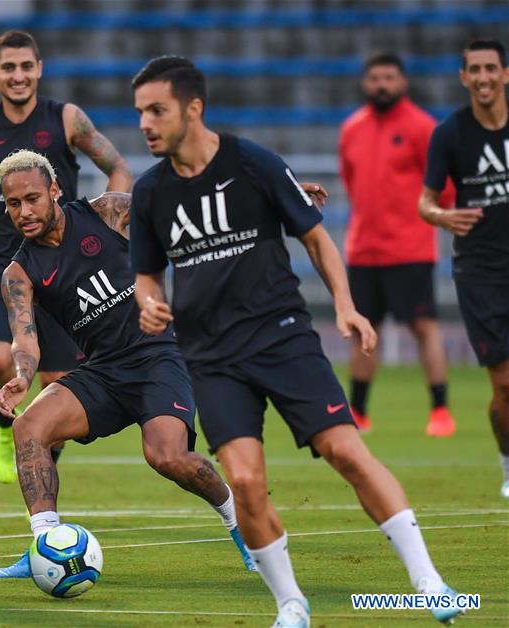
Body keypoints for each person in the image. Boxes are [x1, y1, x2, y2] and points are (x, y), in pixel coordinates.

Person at [128, 56, 461, 627]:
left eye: (157, 110)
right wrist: (149, 304)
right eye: (140, 113)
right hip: (210, 358)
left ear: (193, 108)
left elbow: (316, 239)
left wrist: (346, 305)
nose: (145, 123)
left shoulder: (253, 162)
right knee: (246, 480)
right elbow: (147, 273)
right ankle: (291, 603)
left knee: (346, 453)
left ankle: (429, 581)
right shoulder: (150, 192)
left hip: (282, 338)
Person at [0, 149, 254, 579]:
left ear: (55, 190)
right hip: (104, 370)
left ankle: (242, 523)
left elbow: (180, 207)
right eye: (13, 204)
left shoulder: (106, 212)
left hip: (158, 356)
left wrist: (281, 197)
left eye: (33, 198)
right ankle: (45, 544)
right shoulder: (18, 273)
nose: (25, 211)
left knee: (167, 457)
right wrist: (21, 374)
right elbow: (25, 339)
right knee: (28, 427)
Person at [0, 30, 133, 483]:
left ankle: (42, 458)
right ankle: (7, 429)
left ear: (39, 69)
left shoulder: (67, 119)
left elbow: (118, 166)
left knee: (57, 381)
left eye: (26, 66)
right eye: (8, 67)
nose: (18, 75)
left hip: (61, 265)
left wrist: (106, 228)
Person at [339, 52, 456, 436]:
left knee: (424, 327)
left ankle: (440, 411)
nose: (382, 84)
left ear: (402, 82)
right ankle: (358, 411)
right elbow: (352, 181)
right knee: (363, 330)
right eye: (375, 78)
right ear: (365, 83)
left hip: (409, 249)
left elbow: (444, 188)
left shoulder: (423, 127)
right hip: (364, 249)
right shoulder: (351, 129)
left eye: (389, 77)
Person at [419, 39, 509, 498]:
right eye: (474, 69)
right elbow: (425, 202)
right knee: (505, 383)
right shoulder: (450, 134)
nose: (483, 77)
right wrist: (442, 216)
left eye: (491, 68)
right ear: (463, 77)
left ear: (506, 74)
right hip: (481, 271)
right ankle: (508, 461)